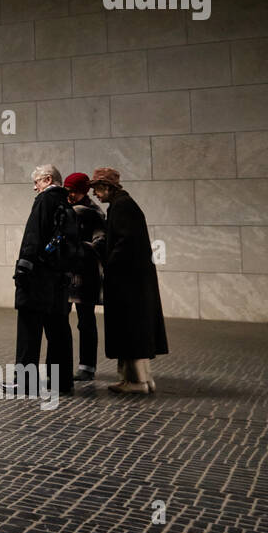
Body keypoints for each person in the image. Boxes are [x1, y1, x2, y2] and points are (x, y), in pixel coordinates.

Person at [89, 167, 168, 394]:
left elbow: (125, 244)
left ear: (107, 187)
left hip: (127, 283)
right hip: (133, 281)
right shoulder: (123, 204)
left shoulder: (122, 206)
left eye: (97, 188)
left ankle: (136, 382)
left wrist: (109, 265)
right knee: (134, 331)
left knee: (131, 330)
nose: (95, 193)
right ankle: (140, 379)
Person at [11, 164, 81, 397]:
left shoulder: (45, 201)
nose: (34, 188)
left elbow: (33, 237)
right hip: (59, 280)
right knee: (59, 329)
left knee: (29, 330)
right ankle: (62, 381)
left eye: (37, 182)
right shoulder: (67, 204)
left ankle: (24, 383)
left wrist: (22, 271)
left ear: (48, 179)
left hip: (38, 278)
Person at [63, 172, 106, 381]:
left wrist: (78, 249)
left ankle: (87, 366)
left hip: (85, 276)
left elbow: (101, 242)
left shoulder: (93, 212)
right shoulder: (64, 209)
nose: (70, 194)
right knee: (60, 320)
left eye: (74, 191)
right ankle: (63, 366)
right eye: (68, 190)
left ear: (83, 191)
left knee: (85, 321)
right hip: (65, 275)